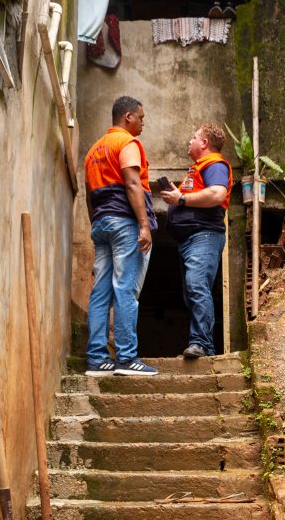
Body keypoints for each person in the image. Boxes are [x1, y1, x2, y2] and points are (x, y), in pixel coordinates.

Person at [82, 96, 159, 376]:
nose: (142, 122)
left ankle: (97, 359)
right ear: (127, 117)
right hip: (125, 223)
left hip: (101, 224)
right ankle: (127, 358)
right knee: (125, 288)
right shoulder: (127, 144)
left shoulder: (93, 151)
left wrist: (97, 224)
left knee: (100, 291)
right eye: (140, 117)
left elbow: (90, 194)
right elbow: (132, 182)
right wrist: (143, 224)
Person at [161, 124, 232, 358]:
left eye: (194, 138)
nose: (189, 141)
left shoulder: (215, 165)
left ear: (204, 143)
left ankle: (200, 343)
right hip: (192, 239)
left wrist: (180, 199)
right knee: (192, 290)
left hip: (204, 236)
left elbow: (217, 194)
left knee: (196, 286)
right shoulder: (198, 169)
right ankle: (205, 346)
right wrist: (179, 195)